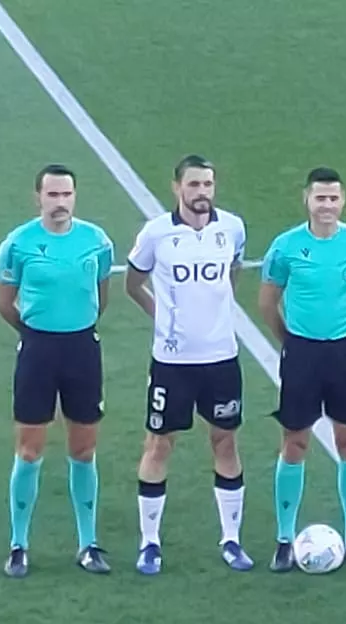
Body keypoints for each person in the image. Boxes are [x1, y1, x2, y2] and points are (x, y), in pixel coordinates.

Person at [123, 154, 252, 575]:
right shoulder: (156, 234)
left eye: (207, 185)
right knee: (159, 444)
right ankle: (150, 542)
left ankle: (231, 539)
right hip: (172, 362)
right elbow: (133, 283)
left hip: (221, 359)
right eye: (194, 185)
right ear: (177, 187)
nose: (201, 193)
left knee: (225, 442)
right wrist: (160, 316)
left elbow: (234, 272)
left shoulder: (232, 228)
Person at [257, 167, 346, 573]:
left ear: (342, 200)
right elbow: (267, 301)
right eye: (319, 198)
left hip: (345, 353)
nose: (326, 205)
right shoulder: (286, 247)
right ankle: (284, 539)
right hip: (302, 354)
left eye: (333, 198)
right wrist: (291, 341)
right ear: (306, 200)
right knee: (295, 442)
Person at [0, 163, 115, 578]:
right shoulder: (18, 244)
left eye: (66, 194)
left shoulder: (96, 242)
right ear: (38, 198)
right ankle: (18, 545)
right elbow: (4, 302)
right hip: (38, 352)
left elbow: (101, 295)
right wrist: (34, 334)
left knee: (83, 450)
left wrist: (76, 326)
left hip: (82, 350)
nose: (60, 202)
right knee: (29, 450)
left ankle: (88, 544)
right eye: (53, 195)